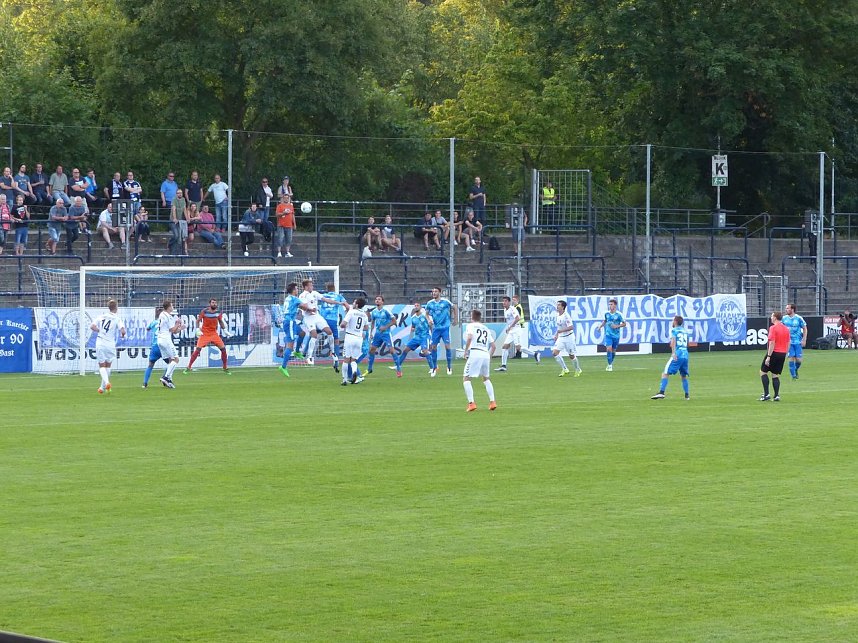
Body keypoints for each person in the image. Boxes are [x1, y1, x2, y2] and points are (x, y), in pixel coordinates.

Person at [298, 278, 345, 367]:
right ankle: (309, 356)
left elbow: (326, 299)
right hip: (308, 318)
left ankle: (333, 353)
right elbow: (302, 307)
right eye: (311, 285)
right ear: (306, 286)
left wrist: (338, 303)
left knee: (329, 332)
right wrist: (310, 309)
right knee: (314, 335)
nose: (312, 286)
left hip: (317, 316)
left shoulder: (315, 293)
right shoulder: (302, 296)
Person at [463, 309, 497, 412]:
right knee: (486, 378)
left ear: (472, 317)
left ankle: (471, 403)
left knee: (466, 378)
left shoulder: (470, 326)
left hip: (475, 353)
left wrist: (465, 351)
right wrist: (488, 357)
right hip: (485, 354)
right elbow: (493, 346)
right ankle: (492, 402)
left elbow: (469, 338)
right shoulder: (486, 328)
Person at [184, 298, 231, 375]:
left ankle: (225, 367)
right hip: (205, 333)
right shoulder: (204, 311)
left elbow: (220, 321)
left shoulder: (218, 312)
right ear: (210, 304)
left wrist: (225, 330)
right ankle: (189, 367)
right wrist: (197, 329)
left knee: (223, 349)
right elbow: (198, 320)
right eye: (213, 303)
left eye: (215, 303)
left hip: (214, 334)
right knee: (198, 349)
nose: (214, 304)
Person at [89, 299, 127, 394]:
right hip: (110, 344)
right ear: (116, 308)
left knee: (102, 365)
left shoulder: (101, 316)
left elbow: (92, 326)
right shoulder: (117, 318)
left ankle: (105, 384)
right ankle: (102, 387)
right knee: (108, 365)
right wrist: (122, 335)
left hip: (100, 342)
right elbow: (123, 330)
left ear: (108, 308)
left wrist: (100, 331)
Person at [650, 316, 690, 400]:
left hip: (678, 354)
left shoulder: (674, 330)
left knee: (665, 372)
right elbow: (687, 343)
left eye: (673, 320)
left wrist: (673, 353)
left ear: (675, 322)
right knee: (683, 375)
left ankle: (661, 392)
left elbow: (673, 342)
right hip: (685, 354)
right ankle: (687, 395)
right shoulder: (685, 331)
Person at [392, 299, 434, 377]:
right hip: (416, 337)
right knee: (405, 349)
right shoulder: (413, 317)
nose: (416, 307)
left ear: (420, 307)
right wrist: (413, 329)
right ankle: (398, 365)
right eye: (415, 306)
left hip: (424, 337)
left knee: (425, 351)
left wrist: (431, 337)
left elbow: (430, 325)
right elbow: (413, 327)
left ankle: (432, 368)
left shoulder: (425, 316)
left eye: (417, 305)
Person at [495, 295, 533, 371]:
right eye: (503, 301)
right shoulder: (505, 309)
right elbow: (509, 320)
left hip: (516, 329)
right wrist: (508, 327)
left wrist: (510, 327)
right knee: (505, 346)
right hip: (511, 330)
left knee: (518, 348)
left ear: (509, 302)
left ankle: (534, 354)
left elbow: (517, 318)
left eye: (505, 301)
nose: (504, 302)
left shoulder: (513, 309)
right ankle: (503, 366)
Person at [425, 286, 457, 375]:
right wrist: (429, 320)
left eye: (435, 291)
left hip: (445, 328)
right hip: (436, 329)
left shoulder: (445, 302)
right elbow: (426, 314)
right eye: (433, 291)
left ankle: (449, 367)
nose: (434, 293)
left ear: (440, 292)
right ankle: (434, 368)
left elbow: (454, 307)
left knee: (447, 347)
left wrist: (455, 319)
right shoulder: (430, 303)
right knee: (433, 347)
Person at [760, 310, 789, 402]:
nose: (771, 318)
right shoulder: (786, 329)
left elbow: (772, 342)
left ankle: (766, 394)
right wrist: (786, 353)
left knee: (763, 372)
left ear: (775, 318)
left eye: (772, 316)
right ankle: (776, 396)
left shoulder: (773, 328)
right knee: (775, 375)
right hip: (782, 354)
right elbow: (788, 342)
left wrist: (768, 356)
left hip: (774, 353)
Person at [340, 297, 369, 385]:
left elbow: (342, 325)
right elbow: (366, 327)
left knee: (346, 359)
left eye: (354, 302)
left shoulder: (351, 312)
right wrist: (359, 329)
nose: (352, 303)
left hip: (350, 337)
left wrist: (348, 325)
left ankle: (344, 380)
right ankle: (354, 372)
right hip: (359, 338)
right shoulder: (364, 315)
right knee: (353, 360)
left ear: (356, 304)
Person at [320, 282, 348, 372]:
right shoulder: (338, 296)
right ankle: (336, 360)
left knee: (313, 334)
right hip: (332, 320)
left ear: (326, 288)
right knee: (336, 340)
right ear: (334, 288)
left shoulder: (322, 295)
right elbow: (347, 306)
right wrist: (347, 313)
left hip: (322, 320)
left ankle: (306, 353)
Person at [156, 299, 184, 388]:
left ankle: (169, 381)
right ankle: (166, 377)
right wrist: (177, 323)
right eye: (172, 306)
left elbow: (174, 331)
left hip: (160, 339)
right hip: (166, 340)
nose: (173, 307)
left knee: (170, 361)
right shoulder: (168, 316)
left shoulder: (162, 314)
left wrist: (180, 328)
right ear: (168, 307)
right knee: (176, 359)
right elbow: (172, 330)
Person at [277, 282, 302, 377]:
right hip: (290, 322)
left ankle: (298, 351)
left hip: (290, 322)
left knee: (302, 333)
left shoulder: (287, 298)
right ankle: (283, 366)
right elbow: (304, 306)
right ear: (293, 290)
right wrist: (311, 309)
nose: (297, 290)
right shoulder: (294, 299)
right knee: (290, 346)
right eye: (296, 289)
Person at [552, 299, 582, 377]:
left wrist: (560, 331)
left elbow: (571, 327)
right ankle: (565, 369)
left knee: (571, 355)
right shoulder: (557, 315)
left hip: (569, 337)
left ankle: (578, 369)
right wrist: (556, 334)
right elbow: (559, 327)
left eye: (559, 305)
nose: (557, 306)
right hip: (561, 337)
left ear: (563, 307)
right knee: (555, 353)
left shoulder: (566, 316)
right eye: (557, 305)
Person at [367, 294, 395, 374]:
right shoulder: (374, 312)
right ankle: (369, 368)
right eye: (376, 299)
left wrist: (385, 327)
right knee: (372, 350)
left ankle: (398, 368)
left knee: (391, 350)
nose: (377, 300)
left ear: (382, 302)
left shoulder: (386, 311)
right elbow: (372, 323)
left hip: (386, 333)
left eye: (379, 299)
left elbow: (394, 321)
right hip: (378, 334)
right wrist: (371, 333)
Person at [599, 298, 626, 371]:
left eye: (611, 304)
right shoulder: (606, 313)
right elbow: (605, 320)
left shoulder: (619, 315)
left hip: (616, 335)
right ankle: (610, 365)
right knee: (608, 349)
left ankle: (609, 363)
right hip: (608, 335)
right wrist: (600, 326)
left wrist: (616, 326)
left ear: (615, 305)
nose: (610, 306)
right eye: (609, 304)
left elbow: (624, 324)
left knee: (613, 351)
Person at [142, 306, 166, 389]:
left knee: (150, 365)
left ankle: (144, 383)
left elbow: (147, 328)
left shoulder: (153, 322)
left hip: (154, 347)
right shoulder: (164, 322)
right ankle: (165, 378)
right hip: (162, 346)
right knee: (171, 362)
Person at [782, 303, 807, 379]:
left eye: (788, 308)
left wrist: (804, 339)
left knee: (799, 360)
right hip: (788, 342)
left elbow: (805, 328)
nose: (786, 310)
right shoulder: (784, 318)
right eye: (786, 308)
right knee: (791, 358)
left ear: (792, 309)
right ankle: (793, 376)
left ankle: (795, 369)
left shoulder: (799, 318)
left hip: (797, 342)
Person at [511, 294, 539, 362]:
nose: (513, 301)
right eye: (513, 300)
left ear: (518, 300)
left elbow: (518, 317)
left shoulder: (518, 307)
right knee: (517, 343)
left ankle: (532, 354)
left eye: (514, 300)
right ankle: (518, 354)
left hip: (519, 326)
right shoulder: (515, 307)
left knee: (518, 344)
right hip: (517, 327)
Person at [274, 194, 296, 258]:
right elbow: (277, 214)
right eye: (285, 198)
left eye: (287, 198)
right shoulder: (279, 206)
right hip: (281, 225)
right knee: (280, 238)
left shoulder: (291, 206)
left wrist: (294, 224)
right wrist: (283, 213)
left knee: (289, 239)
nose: (286, 199)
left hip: (289, 225)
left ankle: (287, 252)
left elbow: (292, 215)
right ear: (283, 199)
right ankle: (279, 252)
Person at [169, 188, 189, 254]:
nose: (180, 194)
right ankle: (169, 243)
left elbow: (184, 210)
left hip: (180, 221)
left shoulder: (183, 200)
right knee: (176, 236)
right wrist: (174, 218)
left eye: (181, 193)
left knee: (180, 237)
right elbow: (173, 209)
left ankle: (175, 251)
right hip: (173, 221)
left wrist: (187, 218)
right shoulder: (174, 200)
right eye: (178, 193)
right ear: (176, 194)